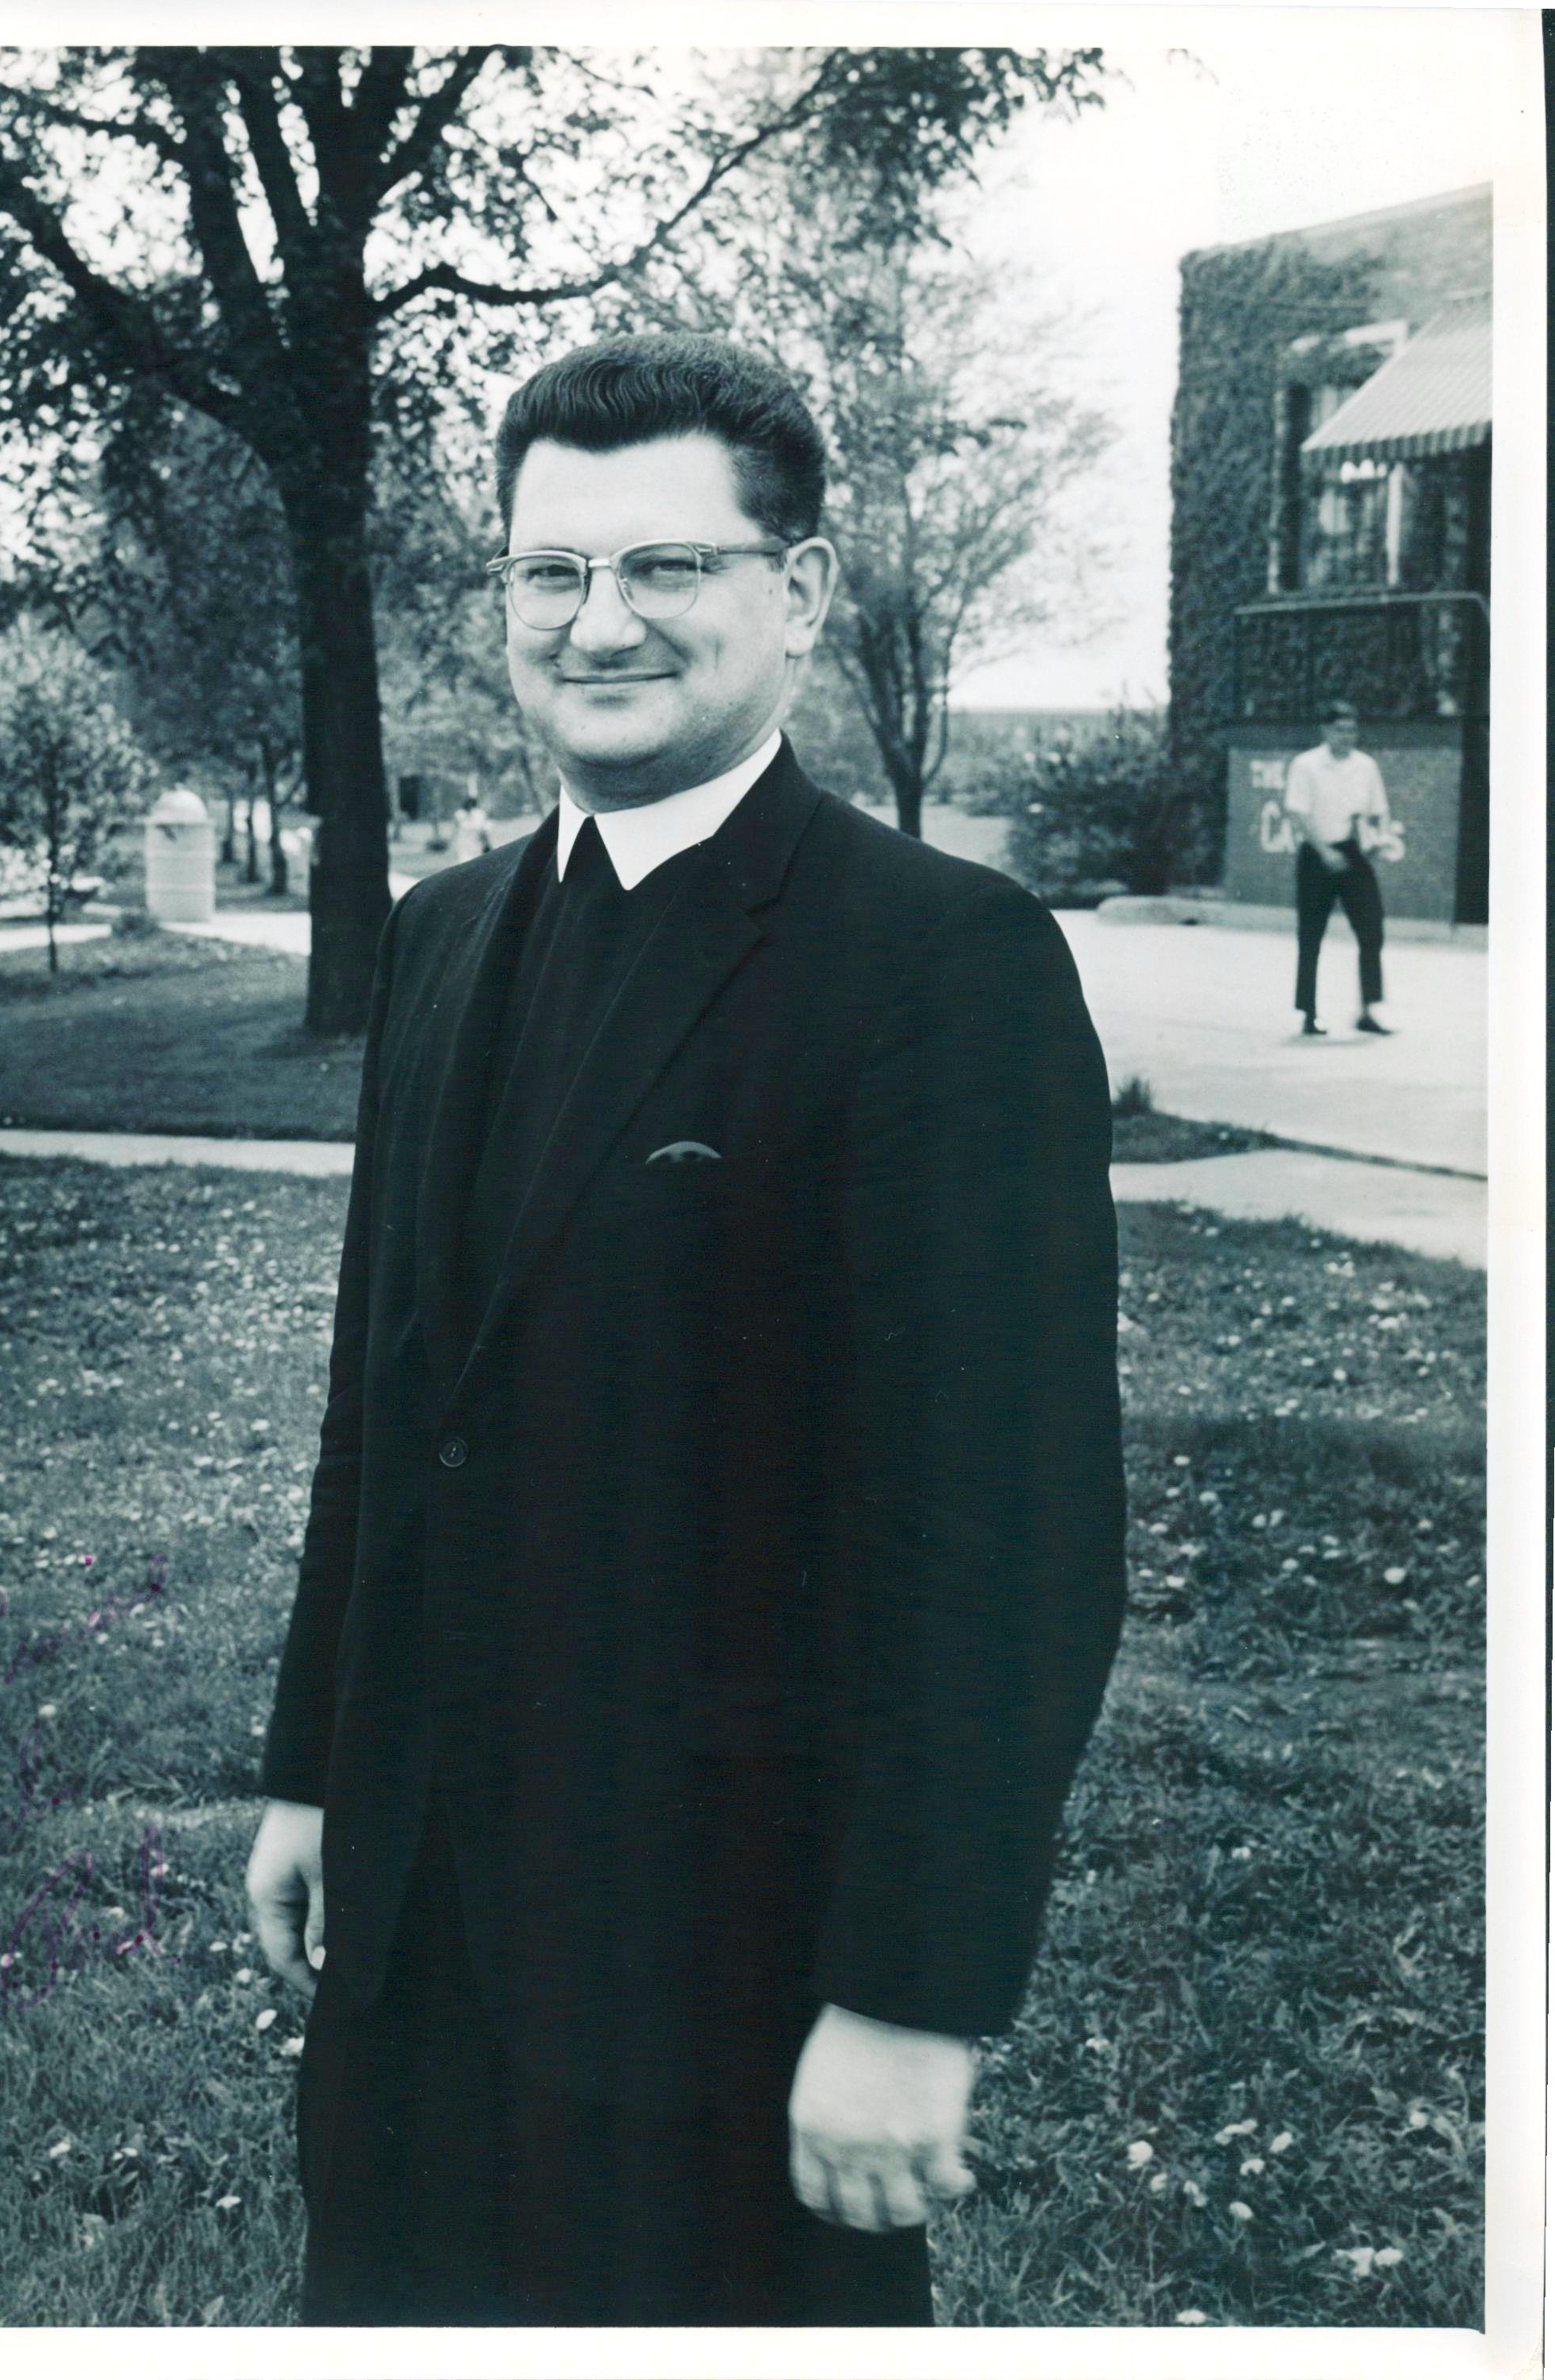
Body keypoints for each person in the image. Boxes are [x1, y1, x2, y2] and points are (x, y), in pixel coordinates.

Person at [246, 333, 1125, 2328]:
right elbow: (384, 1411)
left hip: (722, 1965)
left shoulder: (935, 963)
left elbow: (1012, 1534)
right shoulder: (448, 929)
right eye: (550, 572)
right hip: (411, 1939)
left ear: (795, 592)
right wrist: (314, 1766)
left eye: (666, 567)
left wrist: (910, 1991)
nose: (599, 619)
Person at [1283, 700, 1393, 1037]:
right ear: (1326, 731)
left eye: (1352, 730)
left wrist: (1376, 841)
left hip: (1352, 851)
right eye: (1340, 730)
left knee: (1372, 928)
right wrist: (1324, 850)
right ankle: (1309, 1014)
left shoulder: (1366, 766)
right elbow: (1297, 813)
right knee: (1311, 935)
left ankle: (1367, 1011)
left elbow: (1377, 811)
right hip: (1317, 853)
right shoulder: (1307, 765)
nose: (1347, 737)